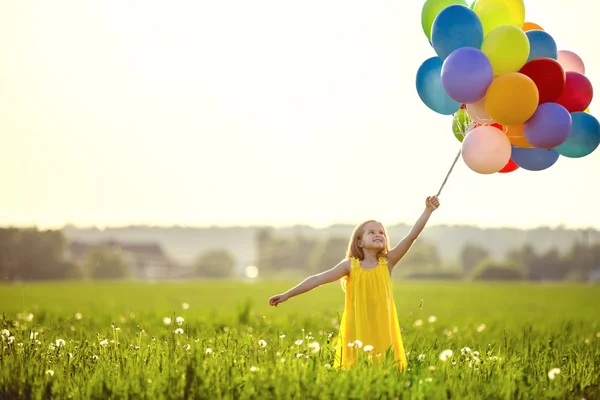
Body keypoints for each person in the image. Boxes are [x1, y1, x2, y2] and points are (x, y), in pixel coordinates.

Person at [268, 195, 440, 371]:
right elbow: (318, 279)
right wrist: (287, 294)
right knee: (358, 367)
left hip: (383, 325)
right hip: (357, 325)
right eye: (371, 232)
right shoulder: (350, 266)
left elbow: (411, 236)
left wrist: (427, 211)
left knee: (385, 366)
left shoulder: (387, 262)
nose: (378, 235)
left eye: (381, 232)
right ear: (359, 242)